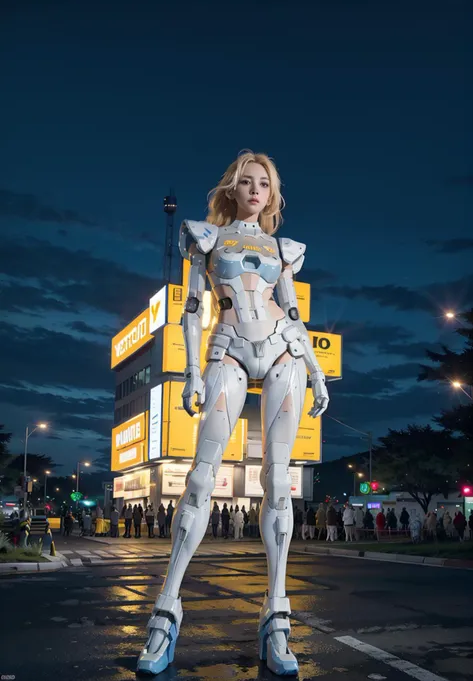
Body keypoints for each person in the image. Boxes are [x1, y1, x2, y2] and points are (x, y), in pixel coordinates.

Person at [137, 151, 329, 677]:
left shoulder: (283, 249)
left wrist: (314, 368)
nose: (253, 189)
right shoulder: (205, 237)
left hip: (284, 350)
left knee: (278, 480)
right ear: (232, 188)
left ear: (272, 193)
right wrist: (195, 373)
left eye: (262, 183)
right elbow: (194, 308)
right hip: (228, 348)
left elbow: (293, 312)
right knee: (199, 478)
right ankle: (167, 608)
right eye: (245, 181)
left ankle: (276, 615)